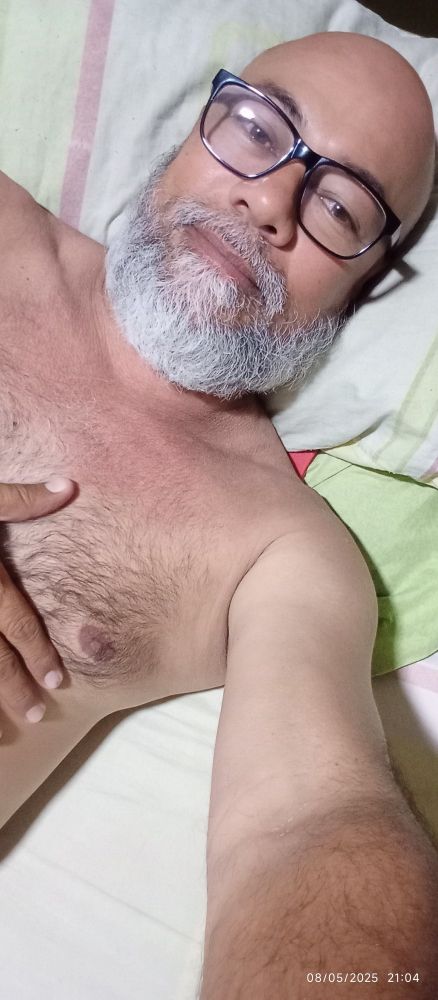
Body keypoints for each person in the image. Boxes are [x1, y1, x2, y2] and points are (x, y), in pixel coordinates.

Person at [0, 31, 437, 997]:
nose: (270, 201)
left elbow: (310, 825)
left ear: (362, 285)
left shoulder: (279, 549)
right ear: (192, 129)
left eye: (340, 207)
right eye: (258, 128)